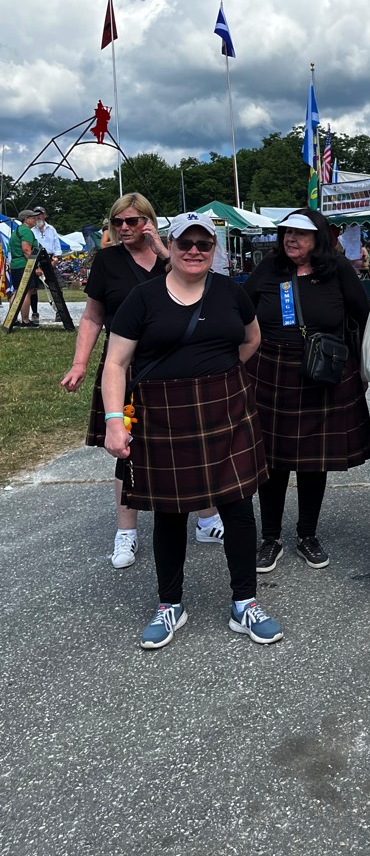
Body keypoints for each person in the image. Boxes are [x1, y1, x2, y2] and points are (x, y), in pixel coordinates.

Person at [102, 212, 282, 650]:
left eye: (204, 244)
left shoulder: (230, 293)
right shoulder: (143, 299)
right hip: (163, 415)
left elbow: (251, 338)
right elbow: (115, 363)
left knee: (238, 507)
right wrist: (112, 422)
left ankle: (245, 603)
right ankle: (170, 606)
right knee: (170, 512)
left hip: (225, 409)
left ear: (214, 248)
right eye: (186, 243)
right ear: (171, 245)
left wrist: (219, 378)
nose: (195, 251)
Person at [60, 193, 224, 569]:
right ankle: (126, 532)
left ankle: (207, 518)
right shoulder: (108, 260)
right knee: (125, 450)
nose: (123, 229)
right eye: (117, 222)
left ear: (149, 221)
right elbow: (93, 316)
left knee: (191, 442)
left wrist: (162, 249)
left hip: (174, 361)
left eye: (132, 221)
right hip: (125, 363)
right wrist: (80, 363)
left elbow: (205, 287)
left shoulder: (176, 255)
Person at [244, 210, 370, 573]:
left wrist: (361, 364)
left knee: (314, 459)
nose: (291, 240)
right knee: (272, 459)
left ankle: (306, 534)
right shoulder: (269, 269)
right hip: (271, 370)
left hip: (322, 370)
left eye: (301, 234)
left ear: (318, 238)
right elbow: (241, 308)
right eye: (287, 233)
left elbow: (363, 314)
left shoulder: (337, 269)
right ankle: (270, 538)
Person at [30, 206, 63, 324]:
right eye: (36, 215)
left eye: (40, 214)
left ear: (45, 215)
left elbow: (57, 247)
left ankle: (60, 312)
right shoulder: (31, 231)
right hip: (35, 259)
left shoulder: (51, 229)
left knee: (56, 287)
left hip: (49, 259)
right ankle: (34, 313)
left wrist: (54, 261)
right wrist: (36, 266)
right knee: (33, 288)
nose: (38, 217)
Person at [8, 210, 39, 327]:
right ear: (26, 219)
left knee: (17, 292)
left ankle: (12, 318)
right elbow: (26, 250)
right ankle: (25, 320)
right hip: (24, 264)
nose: (35, 220)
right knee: (26, 292)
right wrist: (35, 265)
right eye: (33, 217)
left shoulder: (17, 230)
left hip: (16, 264)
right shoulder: (26, 231)